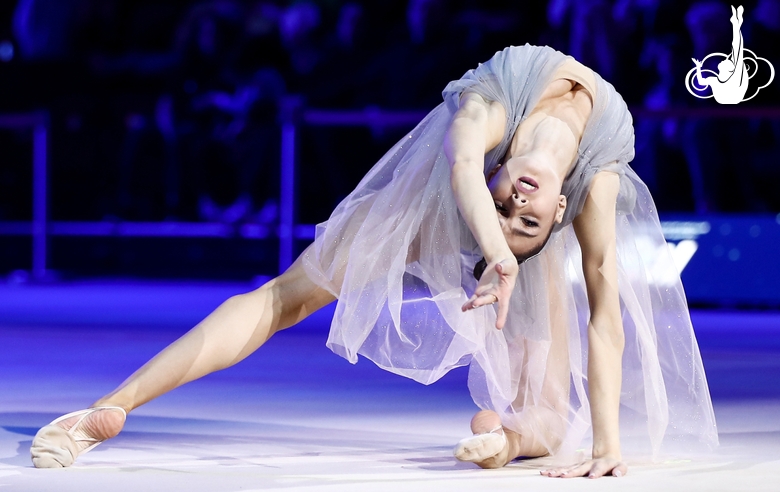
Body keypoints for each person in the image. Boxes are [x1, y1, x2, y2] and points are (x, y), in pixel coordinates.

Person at [30, 44, 718, 478]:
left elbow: (604, 312)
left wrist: (607, 444)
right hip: (439, 201)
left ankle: (507, 441)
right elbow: (460, 164)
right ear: (502, 171)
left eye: (526, 222)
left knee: (546, 411)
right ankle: (109, 408)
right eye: (516, 207)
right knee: (287, 296)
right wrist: (497, 246)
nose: (518, 207)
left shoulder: (593, 186)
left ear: (561, 218)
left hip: (506, 252)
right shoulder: (509, 98)